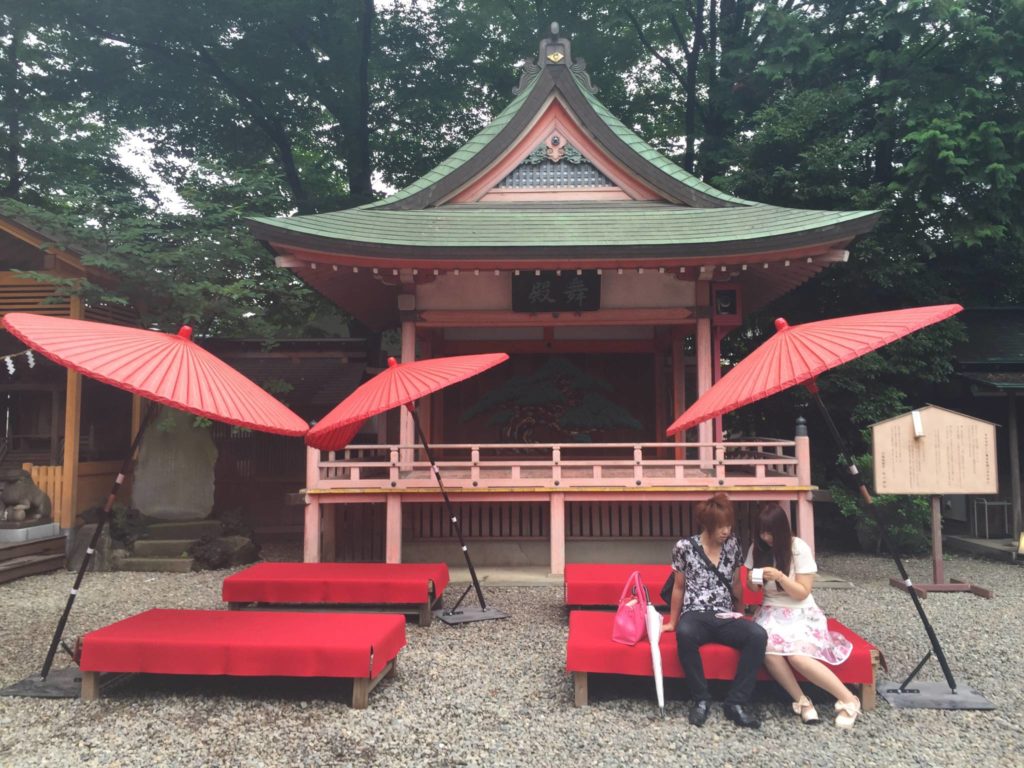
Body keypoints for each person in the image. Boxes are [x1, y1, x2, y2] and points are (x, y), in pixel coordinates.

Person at [745, 502, 861, 729]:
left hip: (801, 611)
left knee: (797, 655)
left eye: (769, 532)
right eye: (761, 531)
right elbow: (753, 590)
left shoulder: (798, 547)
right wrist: (752, 582)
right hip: (770, 611)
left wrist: (780, 576)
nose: (765, 537)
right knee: (769, 650)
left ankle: (848, 698)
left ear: (781, 529)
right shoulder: (756, 548)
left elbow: (802, 592)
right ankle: (802, 701)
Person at [663, 493, 766, 728]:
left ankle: (736, 702)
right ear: (707, 525)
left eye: (728, 525)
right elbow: (679, 587)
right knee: (685, 634)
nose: (726, 531)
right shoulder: (685, 547)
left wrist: (741, 613)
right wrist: (672, 621)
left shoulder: (733, 546)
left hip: (725, 613)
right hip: (695, 611)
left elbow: (737, 583)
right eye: (720, 526)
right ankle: (700, 698)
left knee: (757, 636)